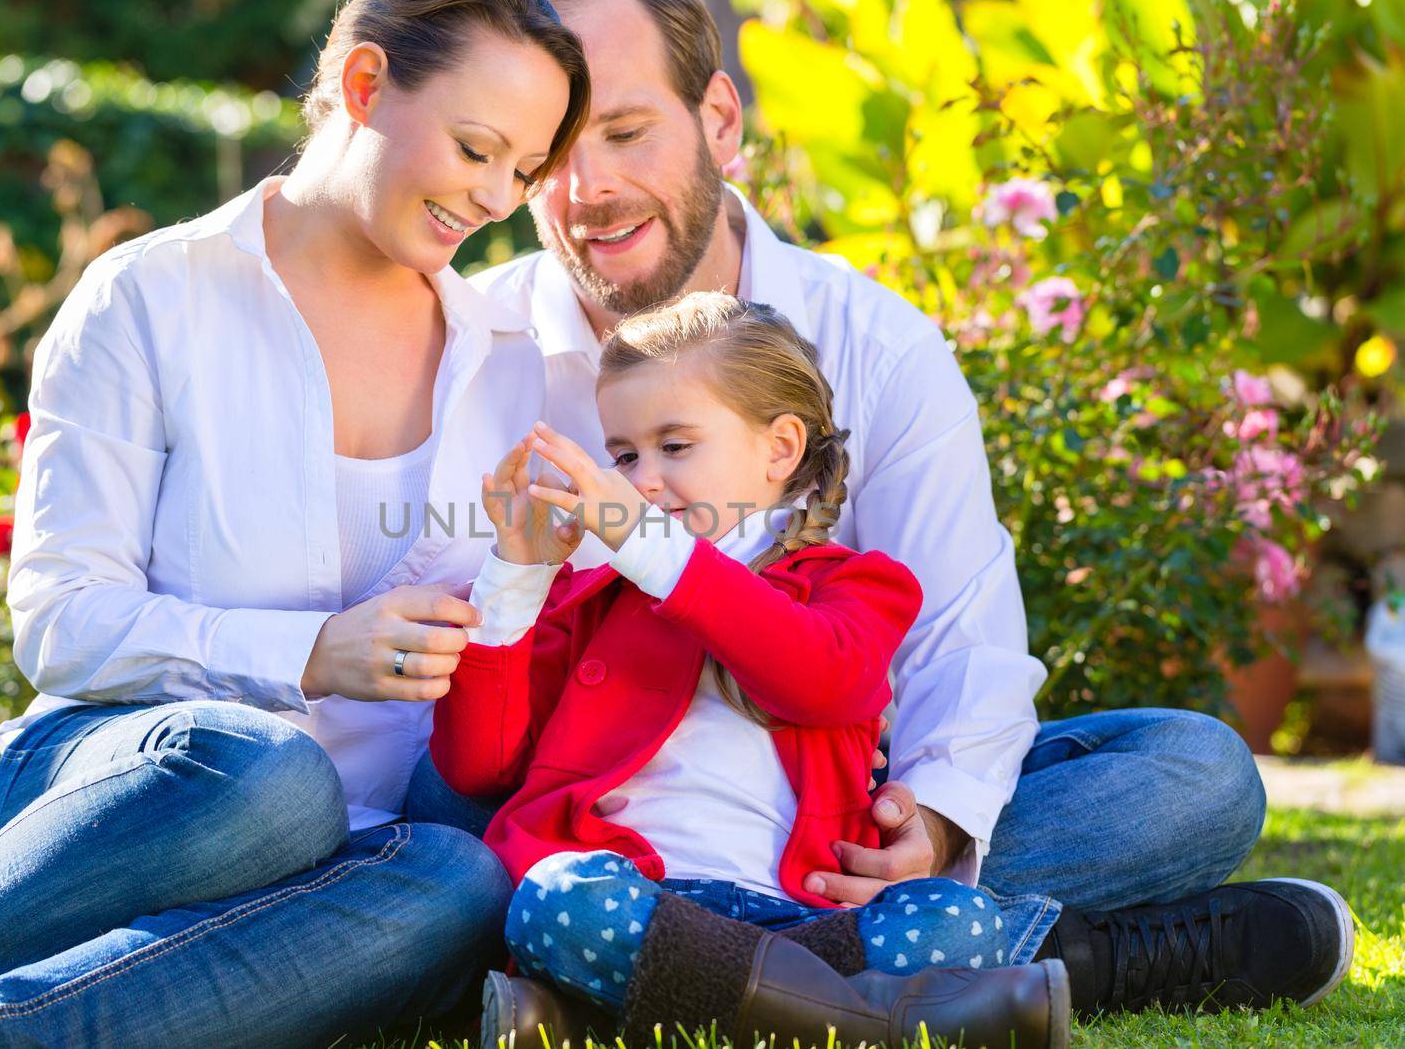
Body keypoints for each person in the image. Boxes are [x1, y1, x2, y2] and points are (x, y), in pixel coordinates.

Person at [406, 0, 1355, 1028]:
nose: (589, 186)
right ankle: (1070, 966)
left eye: (627, 131)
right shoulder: (470, 342)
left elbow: (957, 637)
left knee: (1196, 772)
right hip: (580, 811)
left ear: (718, 118)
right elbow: (466, 724)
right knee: (452, 838)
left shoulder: (874, 341)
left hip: (822, 825)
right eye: (551, 153)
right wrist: (509, 576)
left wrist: (940, 823)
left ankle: (626, 983)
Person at [0, 0, 591, 1045]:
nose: (497, 196)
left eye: (523, 170)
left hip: (370, 841)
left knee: (460, 876)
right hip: (159, 782)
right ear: (363, 83)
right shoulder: (150, 296)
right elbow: (63, 622)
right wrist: (307, 653)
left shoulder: (504, 362)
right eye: (476, 148)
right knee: (271, 778)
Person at [433, 293, 1071, 1049]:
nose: (642, 482)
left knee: (960, 922)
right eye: (625, 453)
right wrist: (513, 577)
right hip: (643, 898)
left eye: (675, 447)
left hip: (803, 914)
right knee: (552, 898)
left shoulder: (858, 584)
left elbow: (818, 676)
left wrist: (656, 553)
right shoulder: (594, 596)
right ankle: (869, 1024)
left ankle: (602, 1017)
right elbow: (480, 766)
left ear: (780, 448)